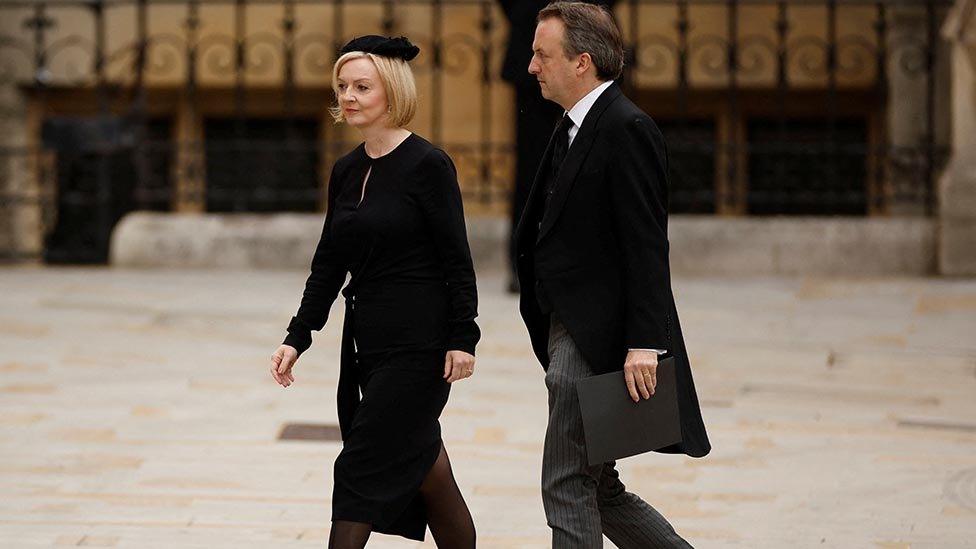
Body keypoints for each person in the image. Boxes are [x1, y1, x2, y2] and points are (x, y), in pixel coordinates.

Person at [269, 35, 479, 549]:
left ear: (393, 92)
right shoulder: (346, 170)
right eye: (342, 86)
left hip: (421, 349)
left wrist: (463, 336)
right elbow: (329, 264)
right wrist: (298, 336)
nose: (349, 96)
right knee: (431, 474)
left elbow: (457, 259)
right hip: (369, 348)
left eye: (363, 86)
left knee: (359, 468)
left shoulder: (429, 165)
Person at [513, 3, 711, 547]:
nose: (530, 66)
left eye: (541, 54)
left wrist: (645, 342)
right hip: (568, 323)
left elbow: (646, 243)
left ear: (581, 62)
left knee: (566, 479)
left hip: (594, 332)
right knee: (598, 488)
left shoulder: (627, 127)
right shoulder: (572, 125)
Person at [497, 0, 617, 294]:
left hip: (591, 42)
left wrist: (592, 14)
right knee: (533, 164)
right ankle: (525, 259)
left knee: (599, 156)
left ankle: (595, 254)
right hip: (532, 29)